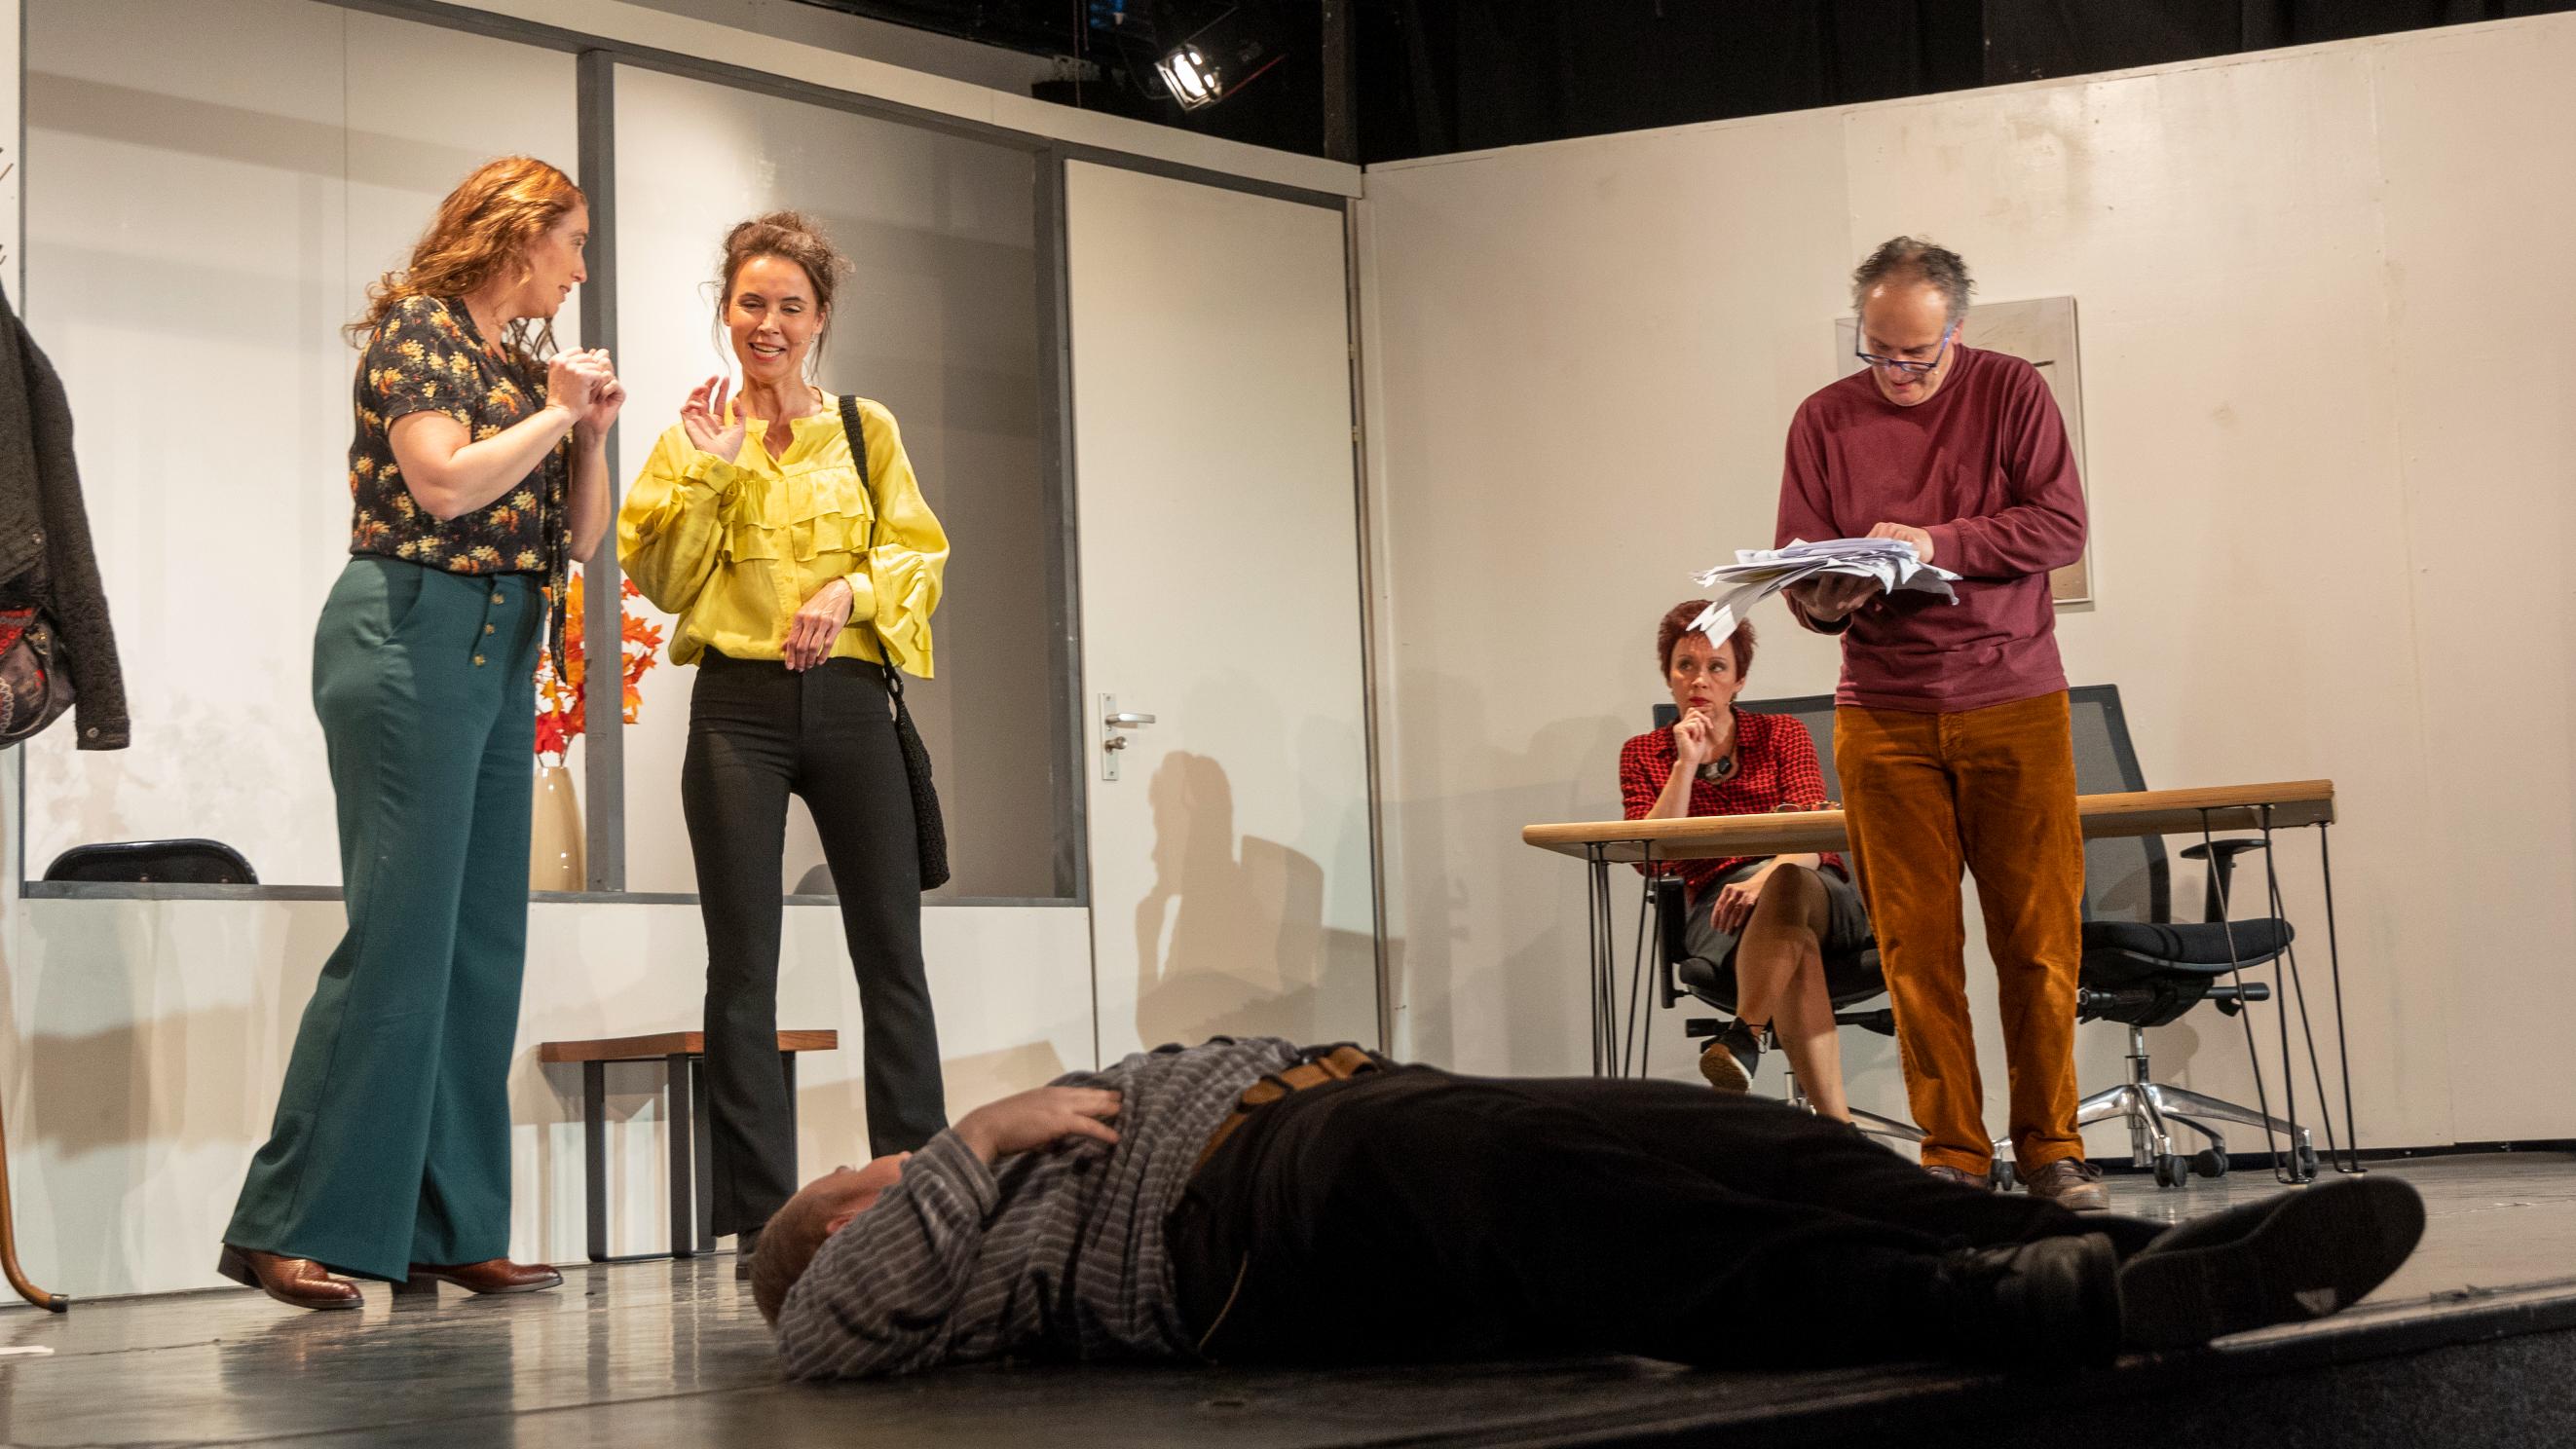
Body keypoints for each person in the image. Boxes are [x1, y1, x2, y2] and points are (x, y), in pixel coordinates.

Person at [752, 1038, 2425, 1380]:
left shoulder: (971, 1191)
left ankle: (2133, 1257)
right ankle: (1989, 1307)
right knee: (1555, 1199)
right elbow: (818, 1333)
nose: (880, 1163)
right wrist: (977, 1133)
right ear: (836, 1223)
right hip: (1240, 1211)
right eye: (852, 1181)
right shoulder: (902, 1256)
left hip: (1353, 1103)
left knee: (1741, 1139)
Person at [221, 157, 623, 1309]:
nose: (579, 268)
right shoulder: (420, 332)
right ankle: (284, 1222)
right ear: (519, 234)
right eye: (573, 242)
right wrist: (556, 410)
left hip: (502, 643)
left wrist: (588, 433)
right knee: (399, 939)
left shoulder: (519, 367)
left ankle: (450, 1227)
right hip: (408, 632)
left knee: (480, 946)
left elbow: (578, 542)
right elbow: (441, 485)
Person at [619, 211, 952, 1267]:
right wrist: (713, 470)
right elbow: (661, 580)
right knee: (741, 966)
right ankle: (761, 1216)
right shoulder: (689, 438)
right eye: (750, 303)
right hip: (737, 710)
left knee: (890, 952)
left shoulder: (863, 427)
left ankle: (917, 1182)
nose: (768, 323)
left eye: (790, 307)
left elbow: (919, 553)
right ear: (726, 312)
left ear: (820, 318)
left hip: (850, 703)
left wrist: (850, 591)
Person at [1776, 237, 2102, 1208]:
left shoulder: (2009, 392)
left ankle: (2051, 1151)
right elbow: (1798, 566)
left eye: (1915, 355)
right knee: (1915, 952)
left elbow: (2061, 525)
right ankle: (1951, 1160)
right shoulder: (1822, 420)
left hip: (2014, 698)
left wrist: (1935, 542)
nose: (1895, 372)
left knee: (2037, 943)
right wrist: (1819, 598)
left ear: (1955, 330)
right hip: (1882, 712)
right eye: (1876, 351)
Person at [1619, 604, 1869, 1113]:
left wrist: (1765, 880)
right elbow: (1653, 861)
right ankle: (1836, 1130)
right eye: (1685, 665)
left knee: (1788, 885)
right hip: (1721, 914)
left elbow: (1814, 837)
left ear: (1739, 680)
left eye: (1717, 667)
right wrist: (1685, 765)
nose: (1700, 679)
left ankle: (1745, 1034)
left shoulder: (1782, 734)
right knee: (1795, 945)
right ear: (1668, 676)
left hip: (1815, 889)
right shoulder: (1644, 753)